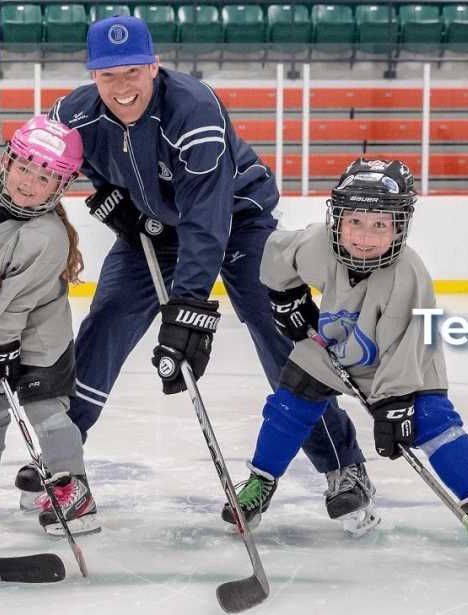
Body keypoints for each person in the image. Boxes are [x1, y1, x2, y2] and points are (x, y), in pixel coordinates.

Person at [45, 15, 379, 534]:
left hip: (237, 219)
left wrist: (188, 312)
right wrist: (105, 190)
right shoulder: (72, 113)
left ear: (155, 65)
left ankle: (343, 466)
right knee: (107, 319)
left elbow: (206, 220)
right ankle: (62, 462)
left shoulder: (192, 110)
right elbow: (52, 156)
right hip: (154, 229)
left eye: (133, 71)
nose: (121, 87)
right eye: (107, 76)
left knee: (278, 334)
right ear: (93, 76)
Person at [227, 158, 468, 561]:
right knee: (290, 400)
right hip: (333, 346)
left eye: (379, 225)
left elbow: (408, 348)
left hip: (402, 363)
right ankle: (260, 482)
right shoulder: (318, 245)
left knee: (433, 421)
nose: (364, 238)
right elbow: (277, 255)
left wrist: (396, 404)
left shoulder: (409, 273)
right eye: (355, 222)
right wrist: (286, 298)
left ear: (399, 227)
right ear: (338, 219)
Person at [0, 116, 98, 536]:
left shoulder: (45, 236)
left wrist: (3, 346)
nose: (30, 183)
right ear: (7, 161)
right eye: (25, 168)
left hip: (40, 340)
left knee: (45, 412)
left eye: (45, 177)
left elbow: (15, 304)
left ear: (61, 187)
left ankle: (73, 487)